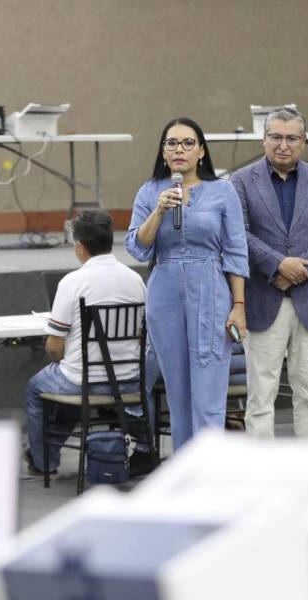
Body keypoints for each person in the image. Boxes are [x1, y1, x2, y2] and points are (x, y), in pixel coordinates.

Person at [125, 117, 249, 451]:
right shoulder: (150, 192)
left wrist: (239, 305)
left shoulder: (223, 191)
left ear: (201, 151)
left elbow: (236, 251)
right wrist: (158, 212)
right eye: (172, 143)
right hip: (165, 291)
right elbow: (137, 248)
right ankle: (184, 471)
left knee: (208, 394)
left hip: (210, 288)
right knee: (177, 397)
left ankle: (211, 472)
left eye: (187, 143)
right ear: (163, 152)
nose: (179, 149)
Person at [231, 107, 308, 437]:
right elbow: (239, 234)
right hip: (264, 299)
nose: (283, 145)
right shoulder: (241, 181)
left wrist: (299, 270)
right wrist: (279, 264)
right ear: (263, 139)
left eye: (291, 138)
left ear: (303, 141)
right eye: (276, 137)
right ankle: (262, 466)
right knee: (260, 398)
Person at [24, 210, 146, 476]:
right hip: (131, 379)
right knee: (70, 386)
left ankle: (44, 462)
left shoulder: (72, 282)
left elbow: (54, 348)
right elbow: (142, 334)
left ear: (80, 247)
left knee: (36, 388)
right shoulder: (136, 280)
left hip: (83, 380)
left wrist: (65, 356)